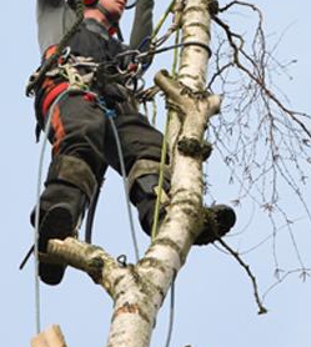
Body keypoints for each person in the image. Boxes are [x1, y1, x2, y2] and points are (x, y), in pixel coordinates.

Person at [30, 0, 236, 286]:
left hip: (115, 105)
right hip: (70, 87)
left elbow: (144, 43)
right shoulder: (59, 15)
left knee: (150, 147)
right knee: (81, 137)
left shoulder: (122, 52)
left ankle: (167, 214)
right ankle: (56, 229)